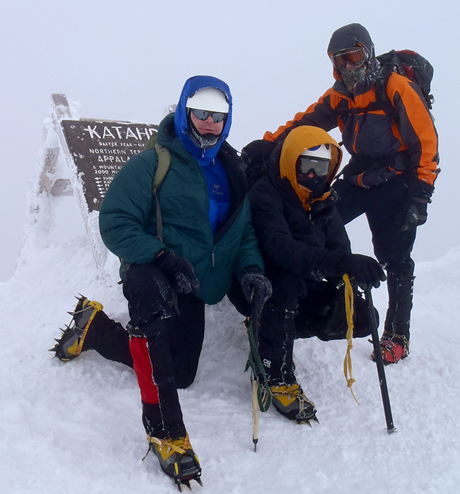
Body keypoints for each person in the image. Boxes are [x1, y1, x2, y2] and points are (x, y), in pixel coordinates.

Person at [51, 75, 271, 488]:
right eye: (201, 113)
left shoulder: (231, 168)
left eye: (218, 116)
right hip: (153, 269)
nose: (209, 123)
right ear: (185, 111)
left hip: (196, 283)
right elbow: (115, 223)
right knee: (150, 306)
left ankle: (94, 328)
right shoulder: (153, 163)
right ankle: (166, 433)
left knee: (180, 372)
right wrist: (162, 257)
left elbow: (241, 234)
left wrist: (251, 269)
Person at [262, 23, 439, 365]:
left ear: (368, 52)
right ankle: (307, 304)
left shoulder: (397, 87)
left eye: (353, 56)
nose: (347, 66)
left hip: (398, 181)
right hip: (359, 177)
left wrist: (420, 195)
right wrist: (268, 143)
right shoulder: (340, 95)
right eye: (338, 60)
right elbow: (305, 124)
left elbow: (426, 141)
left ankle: (397, 335)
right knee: (316, 226)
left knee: (395, 257)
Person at [244, 125, 386, 423]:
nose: (312, 175)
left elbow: (337, 244)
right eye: (305, 165)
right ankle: (274, 374)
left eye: (320, 167)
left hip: (301, 276)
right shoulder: (265, 192)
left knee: (362, 317)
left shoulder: (322, 197)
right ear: (290, 161)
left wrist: (350, 277)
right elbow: (279, 248)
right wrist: (339, 263)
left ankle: (281, 325)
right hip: (256, 280)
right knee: (286, 282)